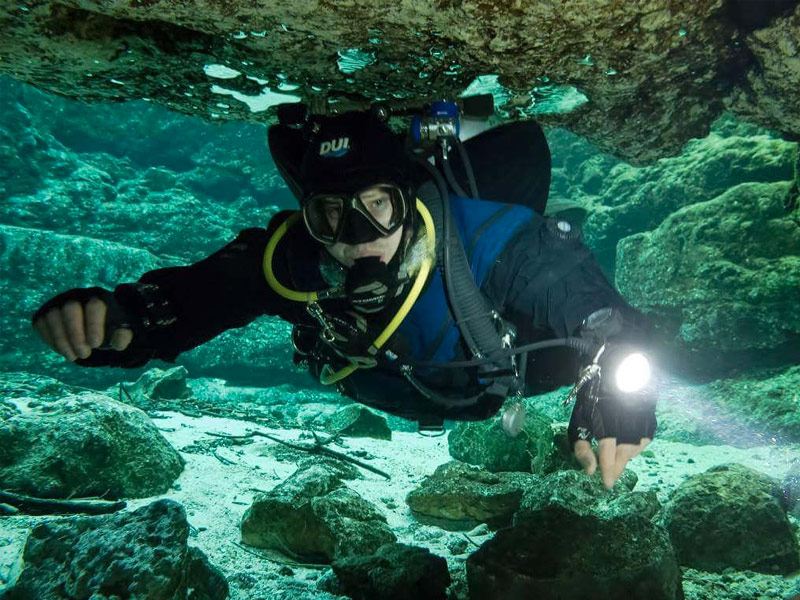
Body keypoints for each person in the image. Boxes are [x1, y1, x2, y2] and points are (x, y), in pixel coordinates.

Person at [32, 108, 656, 489]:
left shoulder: (483, 235)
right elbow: (194, 299)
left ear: (408, 200)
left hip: (510, 371)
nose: (356, 240)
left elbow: (582, 296)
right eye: (330, 216)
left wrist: (619, 378)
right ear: (308, 218)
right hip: (390, 382)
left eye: (377, 207)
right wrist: (121, 321)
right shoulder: (294, 260)